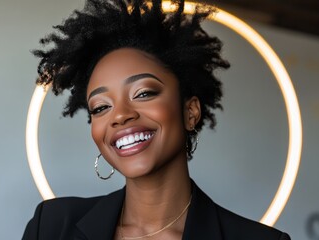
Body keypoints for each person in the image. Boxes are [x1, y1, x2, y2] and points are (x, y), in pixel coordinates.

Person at [23, 0, 291, 239]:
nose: (120, 115)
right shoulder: (51, 226)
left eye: (143, 93)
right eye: (101, 107)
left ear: (190, 112)